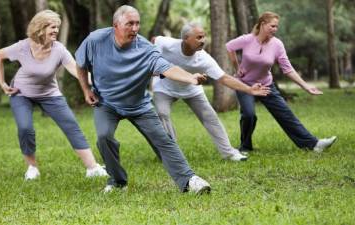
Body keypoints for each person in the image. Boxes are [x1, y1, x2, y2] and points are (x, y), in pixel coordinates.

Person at [75, 5, 210, 194]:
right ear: (115, 25)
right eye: (130, 24)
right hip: (106, 102)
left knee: (163, 140)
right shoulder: (95, 40)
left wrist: (190, 77)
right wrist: (85, 89)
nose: (135, 28)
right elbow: (80, 64)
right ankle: (117, 181)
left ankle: (189, 180)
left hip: (138, 105)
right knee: (104, 137)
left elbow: (167, 67)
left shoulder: (146, 49)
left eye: (137, 23)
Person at [0, 10, 108, 180]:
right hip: (21, 92)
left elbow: (77, 71)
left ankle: (92, 168)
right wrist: (2, 83)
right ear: (40, 28)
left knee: (71, 125)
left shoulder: (59, 50)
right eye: (52, 27)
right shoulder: (23, 46)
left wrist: (99, 82)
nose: (56, 30)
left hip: (49, 93)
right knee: (25, 128)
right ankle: (32, 168)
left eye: (57, 27)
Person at [152, 22, 270, 162]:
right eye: (199, 37)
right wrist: (154, 58)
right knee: (162, 113)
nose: (203, 40)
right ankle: (172, 154)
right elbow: (155, 39)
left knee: (211, 117)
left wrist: (249, 89)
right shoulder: (168, 44)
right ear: (185, 38)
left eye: (204, 37)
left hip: (191, 89)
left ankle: (229, 153)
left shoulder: (204, 58)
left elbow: (224, 78)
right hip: (164, 87)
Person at [225, 11, 337, 153]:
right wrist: (237, 67)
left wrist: (306, 86)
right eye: (272, 26)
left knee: (285, 114)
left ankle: (314, 144)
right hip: (245, 84)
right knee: (248, 114)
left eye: (276, 27)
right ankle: (245, 146)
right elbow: (229, 46)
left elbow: (287, 69)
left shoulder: (277, 44)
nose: (275, 29)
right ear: (263, 24)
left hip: (266, 85)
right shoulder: (247, 39)